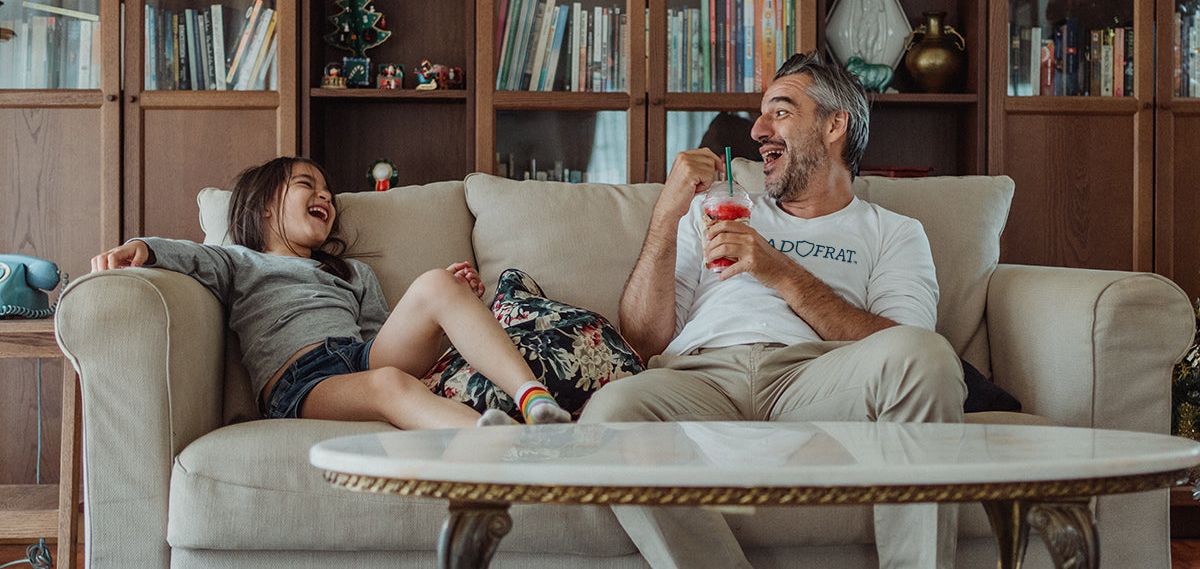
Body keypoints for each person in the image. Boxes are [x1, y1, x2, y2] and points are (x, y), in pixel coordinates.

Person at [580, 51, 965, 568]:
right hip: (703, 378)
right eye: (761, 115)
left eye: (780, 111)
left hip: (815, 378)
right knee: (611, 412)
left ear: (835, 125)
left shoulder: (892, 232)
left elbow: (907, 347)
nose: (759, 129)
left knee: (927, 356)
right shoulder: (713, 208)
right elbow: (644, 339)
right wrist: (669, 211)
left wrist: (779, 271)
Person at [91, 156, 569, 429]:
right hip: (302, 382)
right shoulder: (238, 260)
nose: (324, 197)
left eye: (328, 193)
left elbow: (381, 338)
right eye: (307, 186)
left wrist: (445, 309)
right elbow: (189, 255)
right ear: (262, 208)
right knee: (389, 387)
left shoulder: (353, 274)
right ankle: (508, 449)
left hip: (362, 356)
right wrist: (141, 249)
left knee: (436, 283)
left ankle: (534, 401)